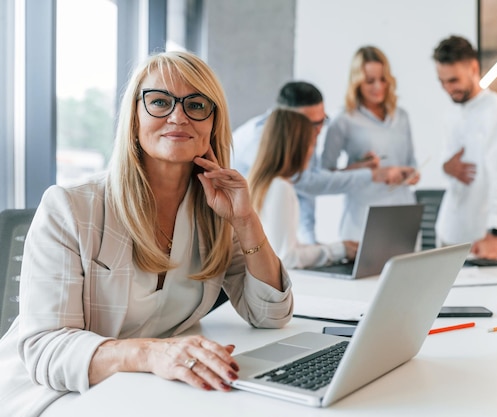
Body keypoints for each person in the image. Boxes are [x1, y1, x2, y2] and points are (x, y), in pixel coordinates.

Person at [0, 51, 293, 416]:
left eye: (197, 104)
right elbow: (46, 348)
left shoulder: (213, 210)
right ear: (134, 118)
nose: (178, 116)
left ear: (213, 124)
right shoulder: (70, 208)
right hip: (57, 391)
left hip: (149, 388)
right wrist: (153, 353)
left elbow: (270, 314)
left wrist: (246, 220)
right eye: (159, 102)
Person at [232, 81, 414, 244]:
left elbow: (306, 189)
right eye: (311, 125)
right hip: (238, 239)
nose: (318, 131)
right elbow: (305, 182)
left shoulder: (301, 138)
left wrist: (311, 242)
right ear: (289, 122)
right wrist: (374, 175)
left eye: (321, 122)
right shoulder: (258, 139)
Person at [432, 35, 497, 259]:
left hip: (480, 239)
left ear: (473, 68)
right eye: (442, 82)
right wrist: (446, 168)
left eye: (453, 80)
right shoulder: (451, 112)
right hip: (448, 230)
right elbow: (447, 166)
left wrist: (494, 234)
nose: (448, 88)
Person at [321, 45, 421, 241]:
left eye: (383, 79)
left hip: (403, 215)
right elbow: (324, 177)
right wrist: (363, 170)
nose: (378, 87)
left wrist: (411, 173)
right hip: (363, 221)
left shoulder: (401, 117)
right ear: (357, 82)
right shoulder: (343, 120)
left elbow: (411, 162)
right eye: (370, 81)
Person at [248, 108, 358, 269]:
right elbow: (286, 257)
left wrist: (336, 248)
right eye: (312, 143)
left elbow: (284, 248)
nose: (311, 152)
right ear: (297, 147)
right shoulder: (280, 187)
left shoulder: (264, 183)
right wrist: (339, 250)